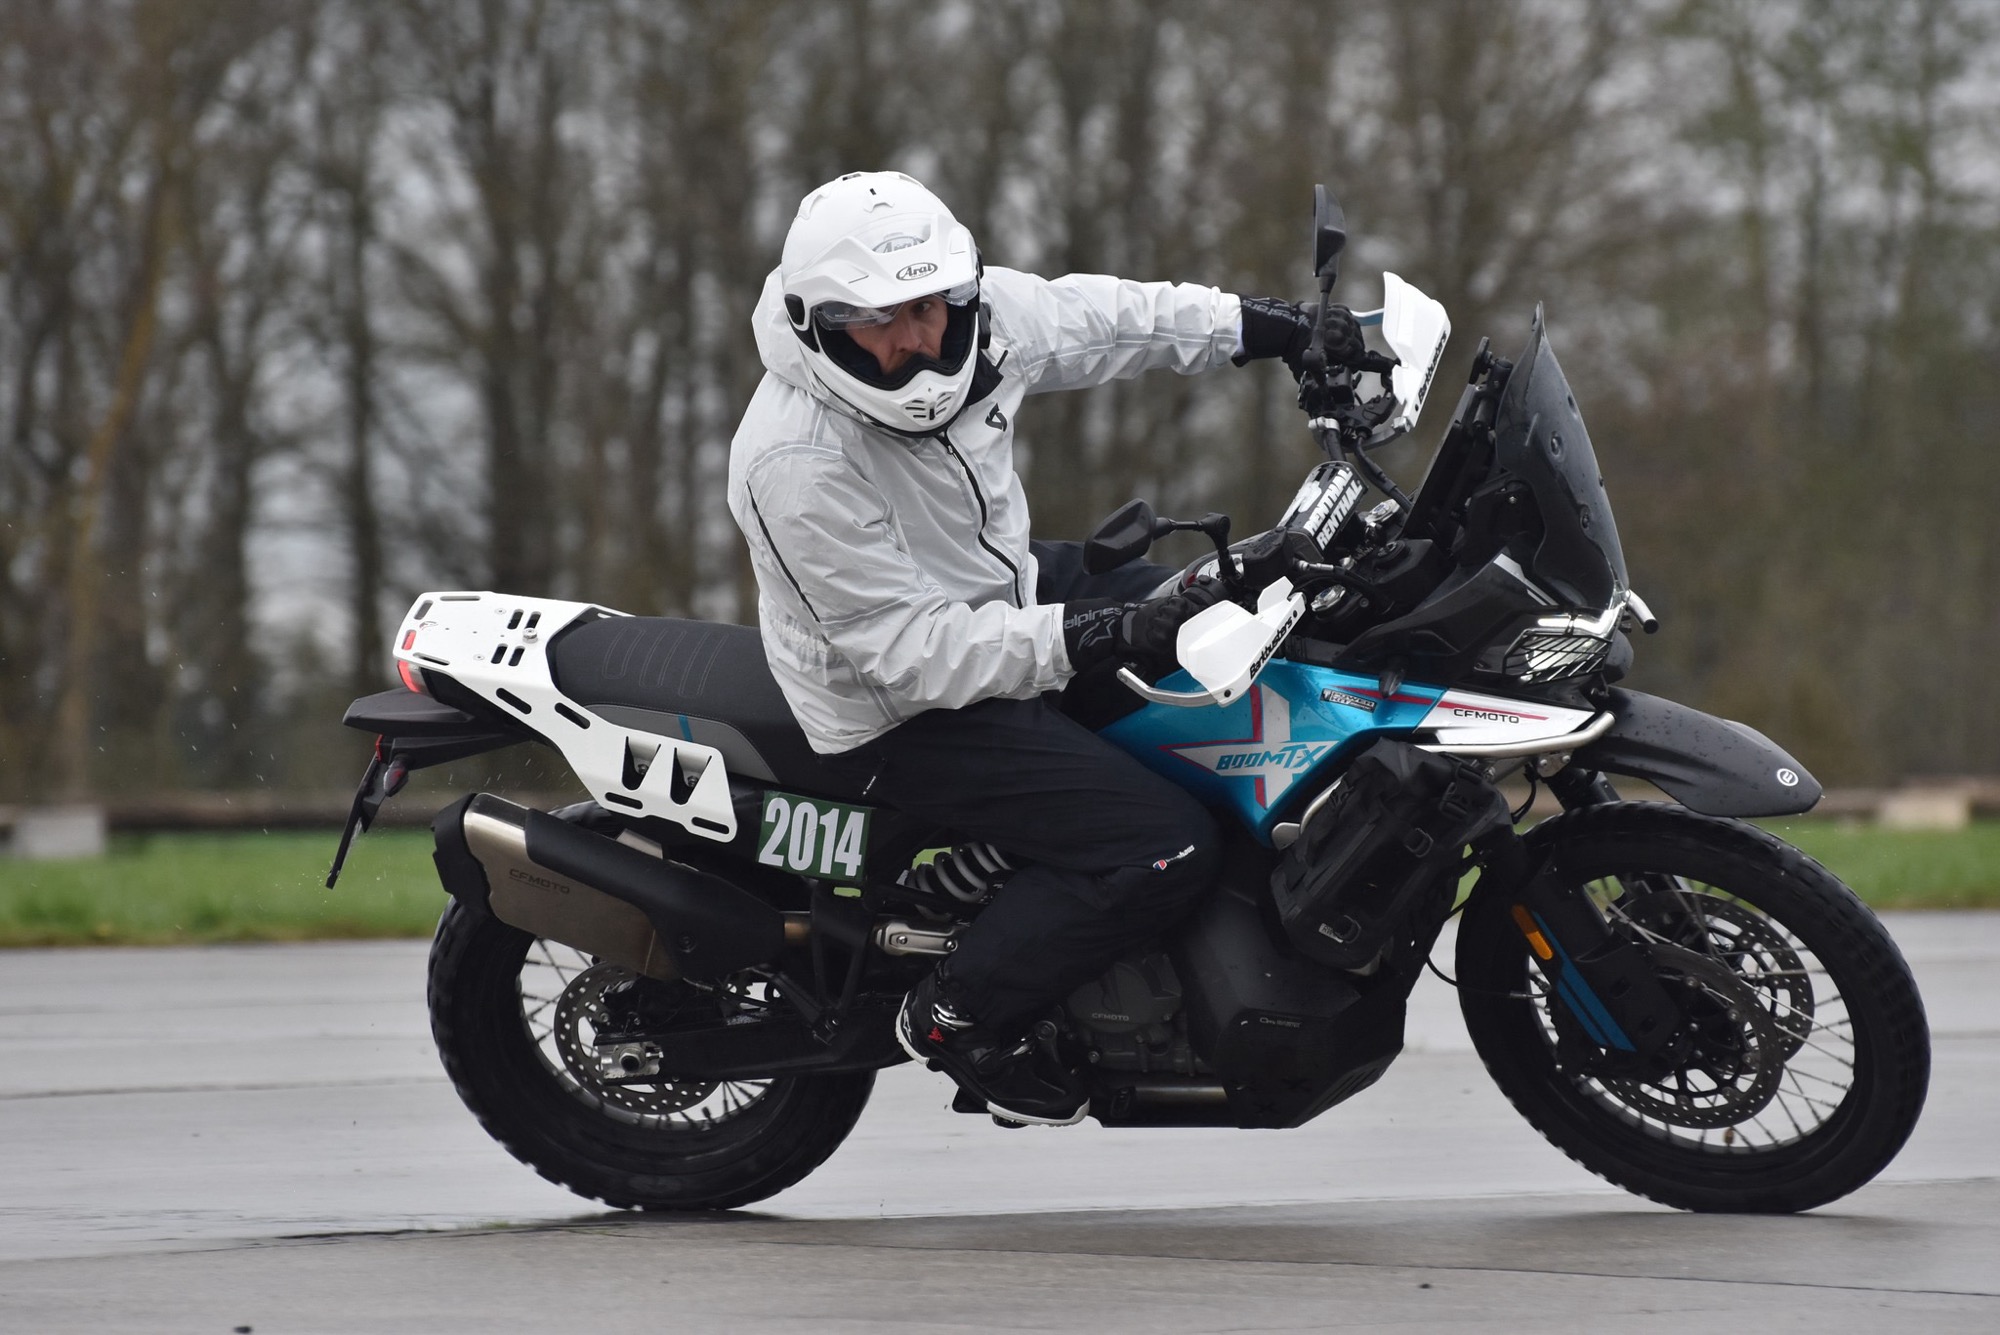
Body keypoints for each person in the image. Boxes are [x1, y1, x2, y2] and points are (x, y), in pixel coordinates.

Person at [726, 171, 1374, 1125]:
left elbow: (1111, 320)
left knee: (1231, 607)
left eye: (927, 308)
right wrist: (1095, 632)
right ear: (819, 324)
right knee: (1162, 844)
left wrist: (1269, 328)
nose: (915, 340)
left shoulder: (978, 324)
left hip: (1003, 592)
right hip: (895, 705)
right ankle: (957, 1017)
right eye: (880, 322)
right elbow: (909, 653)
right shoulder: (795, 459)